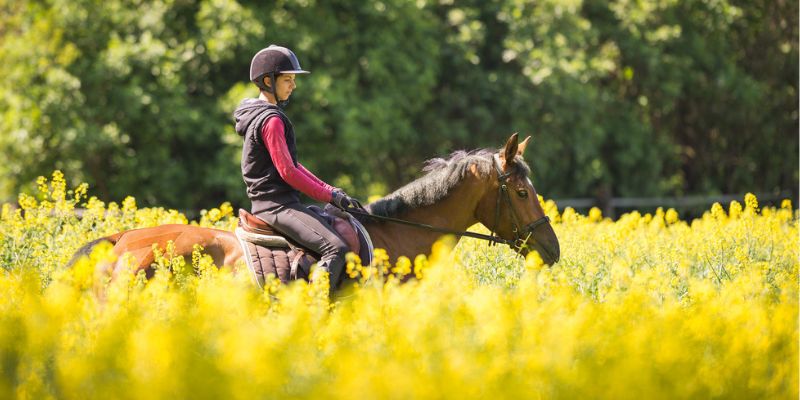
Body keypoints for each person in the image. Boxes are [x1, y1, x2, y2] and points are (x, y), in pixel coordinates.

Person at [233, 45, 362, 292]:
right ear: (268, 81)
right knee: (336, 248)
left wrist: (331, 191)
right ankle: (315, 306)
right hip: (276, 207)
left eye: (293, 79)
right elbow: (288, 172)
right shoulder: (271, 120)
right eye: (288, 79)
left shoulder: (262, 115)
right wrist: (328, 196)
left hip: (275, 204)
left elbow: (293, 165)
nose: (293, 85)